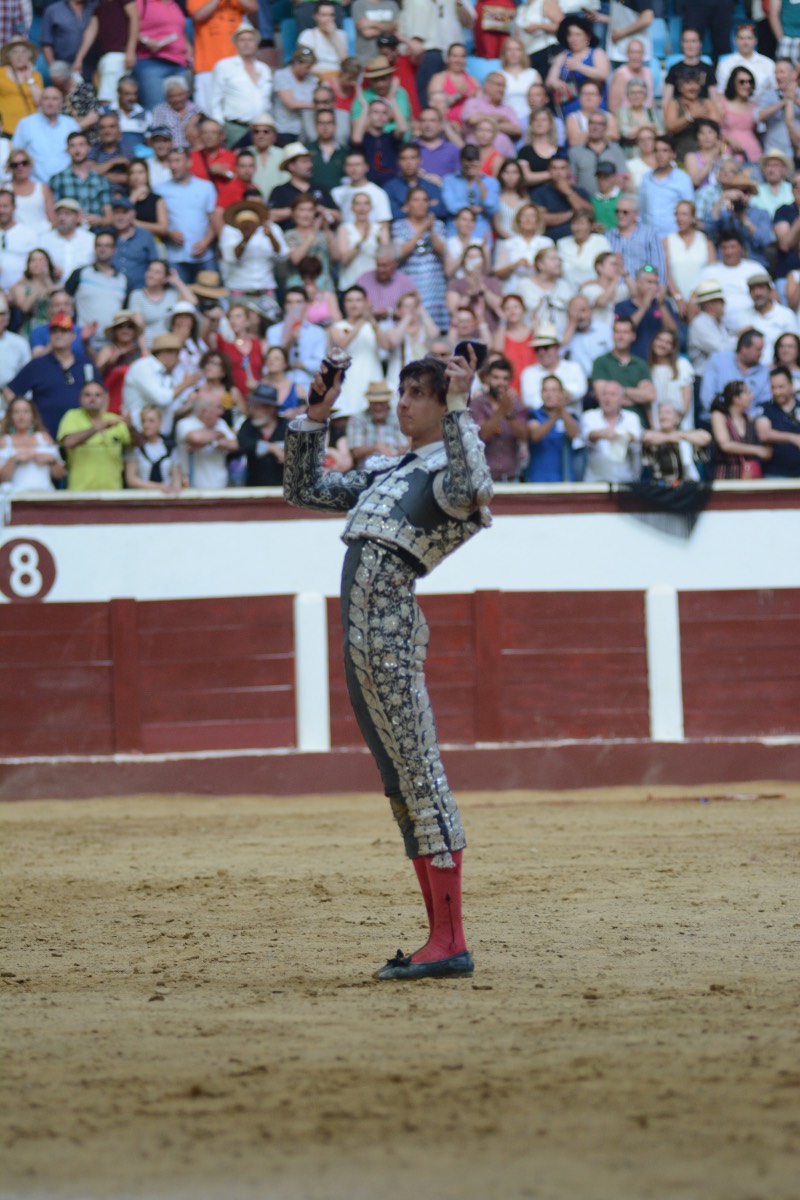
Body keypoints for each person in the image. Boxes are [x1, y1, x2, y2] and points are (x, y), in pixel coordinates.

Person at [283, 346, 492, 982]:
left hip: (391, 636)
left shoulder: (450, 472)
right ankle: (441, 938)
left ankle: (450, 941)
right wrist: (316, 417)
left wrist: (459, 409)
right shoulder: (389, 469)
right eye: (402, 393)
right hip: (364, 642)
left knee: (421, 777)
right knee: (402, 782)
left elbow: (474, 488)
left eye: (419, 394)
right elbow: (303, 489)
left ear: (443, 401)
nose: (404, 404)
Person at [3, 313, 95, 439]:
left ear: (73, 335)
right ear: (49, 336)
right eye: (55, 331)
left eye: (64, 331)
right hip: (46, 435)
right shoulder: (37, 365)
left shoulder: (85, 363)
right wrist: (25, 415)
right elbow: (9, 391)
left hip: (80, 435)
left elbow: (101, 392)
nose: (59, 335)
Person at [57, 378, 132, 490]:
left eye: (97, 395)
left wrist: (131, 426)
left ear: (105, 398)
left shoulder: (114, 419)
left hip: (113, 491)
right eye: (87, 395)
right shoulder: (72, 416)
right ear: (80, 398)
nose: (92, 399)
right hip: (80, 491)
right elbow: (68, 442)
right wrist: (97, 428)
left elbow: (135, 445)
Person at [329, 286, 391, 418]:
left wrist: (372, 322)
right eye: (350, 300)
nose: (354, 305)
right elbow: (341, 345)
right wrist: (362, 320)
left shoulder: (373, 326)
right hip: (348, 381)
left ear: (366, 303)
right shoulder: (336, 327)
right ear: (344, 304)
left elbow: (386, 345)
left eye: (358, 300)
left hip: (372, 379)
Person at [392, 187, 449, 331]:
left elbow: (442, 250)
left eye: (424, 200)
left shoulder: (438, 225)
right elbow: (400, 252)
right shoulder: (398, 226)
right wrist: (422, 229)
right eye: (416, 200)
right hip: (410, 284)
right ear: (407, 205)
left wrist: (431, 230)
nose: (420, 204)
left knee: (435, 329)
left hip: (435, 285)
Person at [208, 21, 272, 146]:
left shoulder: (264, 69)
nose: (246, 43)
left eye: (250, 40)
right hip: (234, 128)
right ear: (236, 43)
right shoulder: (224, 66)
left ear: (256, 43)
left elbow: (268, 101)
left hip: (260, 129)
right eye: (242, 40)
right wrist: (220, 127)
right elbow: (215, 100)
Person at [590, 314, 655, 426]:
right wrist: (636, 396)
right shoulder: (601, 362)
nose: (620, 336)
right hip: (607, 423)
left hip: (637, 423)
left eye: (625, 332)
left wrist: (622, 391)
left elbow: (649, 395)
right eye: (617, 332)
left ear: (633, 336)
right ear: (612, 335)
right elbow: (603, 397)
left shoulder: (641, 364)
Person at [470, 356, 527, 481]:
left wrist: (509, 414)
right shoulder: (477, 404)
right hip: (483, 478)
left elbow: (523, 435)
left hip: (511, 477)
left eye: (505, 378)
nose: (501, 383)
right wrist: (502, 410)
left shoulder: (517, 404)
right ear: (488, 378)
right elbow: (482, 435)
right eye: (496, 378)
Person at [699, 329, 771, 424]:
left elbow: (765, 403)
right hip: (715, 420)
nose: (761, 354)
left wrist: (748, 417)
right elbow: (707, 397)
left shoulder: (764, 372)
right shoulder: (718, 360)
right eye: (758, 349)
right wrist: (728, 418)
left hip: (749, 424)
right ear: (744, 348)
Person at [122, 331, 189, 431]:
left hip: (160, 435)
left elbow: (173, 407)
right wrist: (186, 383)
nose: (178, 360)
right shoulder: (143, 367)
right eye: (176, 355)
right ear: (167, 353)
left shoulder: (165, 372)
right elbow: (161, 399)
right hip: (139, 433)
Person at [133, 0, 192, 113]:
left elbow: (179, 30)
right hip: (152, 63)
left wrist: (187, 47)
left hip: (178, 64)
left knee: (182, 111)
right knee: (156, 109)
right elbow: (129, 26)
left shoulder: (174, 4)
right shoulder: (143, 3)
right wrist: (146, 40)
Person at [545, 16, 610, 117]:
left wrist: (579, 67)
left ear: (587, 36)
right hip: (569, 106)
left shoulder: (597, 53)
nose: (573, 39)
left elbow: (603, 74)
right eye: (570, 35)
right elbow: (549, 81)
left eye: (578, 34)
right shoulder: (562, 56)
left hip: (595, 106)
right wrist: (556, 83)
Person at [0, 395, 64, 493]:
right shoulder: (4, 441)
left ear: (33, 415)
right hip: (14, 497)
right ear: (10, 416)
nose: (21, 416)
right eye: (16, 412)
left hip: (45, 494)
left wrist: (52, 461)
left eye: (26, 411)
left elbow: (60, 475)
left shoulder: (44, 438)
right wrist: (13, 460)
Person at [49, 131, 113, 230]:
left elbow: (109, 218)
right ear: (67, 150)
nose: (77, 150)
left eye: (81, 145)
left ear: (89, 148)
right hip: (68, 232)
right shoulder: (58, 179)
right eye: (72, 146)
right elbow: (52, 215)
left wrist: (100, 220)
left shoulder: (100, 180)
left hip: (95, 232)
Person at [581, 379, 641, 482]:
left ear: (621, 399)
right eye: (604, 394)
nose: (607, 398)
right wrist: (602, 434)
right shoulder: (589, 416)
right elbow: (589, 435)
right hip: (595, 480)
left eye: (612, 394)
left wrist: (617, 435)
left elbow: (634, 436)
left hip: (625, 480)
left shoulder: (632, 417)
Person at [266, 285, 327, 388]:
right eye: (290, 302)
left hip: (308, 384)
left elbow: (320, 363)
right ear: (285, 305)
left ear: (306, 305)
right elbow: (273, 360)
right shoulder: (273, 331)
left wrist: (299, 364)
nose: (294, 306)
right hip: (280, 385)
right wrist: (290, 340)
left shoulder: (318, 332)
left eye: (299, 302)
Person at [525, 372, 581, 482]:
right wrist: (555, 416)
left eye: (554, 390)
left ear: (562, 393)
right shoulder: (533, 414)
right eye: (545, 390)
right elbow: (535, 435)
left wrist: (562, 411)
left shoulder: (570, 416)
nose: (549, 394)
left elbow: (574, 433)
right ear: (541, 394)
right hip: (538, 479)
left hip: (564, 480)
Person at [710, 379, 771, 479]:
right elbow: (725, 445)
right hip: (726, 475)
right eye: (747, 393)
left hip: (748, 474)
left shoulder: (749, 419)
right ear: (736, 399)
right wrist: (757, 450)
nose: (752, 397)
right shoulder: (719, 416)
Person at [176, 395, 239, 488]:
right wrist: (219, 435)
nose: (221, 412)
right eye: (218, 408)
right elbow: (195, 438)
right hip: (192, 485)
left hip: (220, 485)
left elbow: (235, 445)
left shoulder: (221, 423)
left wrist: (212, 442)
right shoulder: (186, 423)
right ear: (204, 411)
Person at [520, 323, 588, 411]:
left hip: (570, 417)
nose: (541, 352)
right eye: (537, 348)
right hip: (541, 418)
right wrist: (559, 395)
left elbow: (580, 391)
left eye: (546, 347)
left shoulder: (573, 368)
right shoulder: (529, 373)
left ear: (557, 347)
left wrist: (548, 397)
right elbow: (529, 401)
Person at [640, 399, 711, 482]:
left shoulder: (686, 435)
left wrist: (681, 435)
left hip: (688, 484)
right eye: (660, 413)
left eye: (667, 413)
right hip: (660, 485)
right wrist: (669, 437)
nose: (663, 416)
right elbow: (645, 437)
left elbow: (706, 437)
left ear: (678, 418)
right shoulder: (654, 435)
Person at [638, 136, 694, 240]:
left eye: (665, 151)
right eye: (657, 151)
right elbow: (641, 209)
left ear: (673, 154)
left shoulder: (682, 178)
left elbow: (689, 209)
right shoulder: (646, 178)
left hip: (674, 238)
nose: (660, 155)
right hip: (649, 238)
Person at [530, 154, 592, 243]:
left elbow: (589, 214)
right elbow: (541, 219)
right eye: (554, 168)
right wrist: (571, 214)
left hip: (579, 241)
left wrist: (568, 192)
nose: (558, 172)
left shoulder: (580, 191)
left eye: (562, 168)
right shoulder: (540, 192)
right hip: (550, 241)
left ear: (569, 170)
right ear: (549, 170)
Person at [236, 383, 288, 486]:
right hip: (254, 488)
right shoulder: (248, 425)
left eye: (256, 407)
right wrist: (271, 448)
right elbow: (244, 443)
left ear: (271, 409)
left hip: (282, 487)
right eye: (252, 406)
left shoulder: (286, 426)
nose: (252, 411)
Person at [740, 273, 798, 364]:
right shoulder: (743, 316)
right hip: (750, 367)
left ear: (770, 291)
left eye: (761, 288)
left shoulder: (786, 315)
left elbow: (795, 346)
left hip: (780, 367)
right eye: (753, 289)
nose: (757, 293)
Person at [346, 380, 407, 465]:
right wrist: (376, 448)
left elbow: (404, 445)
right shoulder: (358, 419)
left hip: (395, 466)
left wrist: (399, 452)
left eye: (381, 403)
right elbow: (355, 452)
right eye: (375, 403)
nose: (378, 407)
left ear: (387, 403)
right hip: (367, 469)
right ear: (369, 403)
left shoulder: (397, 417)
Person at [124, 402, 182, 491]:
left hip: (167, 496)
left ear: (160, 423)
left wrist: (176, 485)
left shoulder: (170, 445)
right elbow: (131, 480)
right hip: (142, 496)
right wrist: (158, 487)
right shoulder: (135, 446)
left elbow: (176, 474)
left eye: (151, 421)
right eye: (144, 421)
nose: (147, 425)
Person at [755, 365, 800, 477]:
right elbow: (764, 434)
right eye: (773, 387)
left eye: (781, 387)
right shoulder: (764, 408)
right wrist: (793, 438)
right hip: (774, 473)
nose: (777, 392)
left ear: (791, 385)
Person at [648, 328, 695, 428]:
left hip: (680, 424)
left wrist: (678, 422)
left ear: (673, 348)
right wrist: (653, 426)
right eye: (659, 340)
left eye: (668, 342)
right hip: (657, 423)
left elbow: (687, 399)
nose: (662, 344)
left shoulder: (682, 365)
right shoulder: (648, 368)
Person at [7, 249, 58, 339]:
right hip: (30, 330)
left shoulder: (55, 285)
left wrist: (46, 279)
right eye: (33, 260)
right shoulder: (21, 286)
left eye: (41, 260)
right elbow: (25, 308)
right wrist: (39, 283)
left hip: (53, 329)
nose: (36, 263)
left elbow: (56, 301)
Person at [0, 35, 43, 138]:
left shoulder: (36, 76)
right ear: (8, 55)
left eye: (23, 52)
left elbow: (39, 101)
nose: (19, 56)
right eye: (15, 52)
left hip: (29, 128)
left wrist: (29, 77)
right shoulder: (1, 73)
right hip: (5, 128)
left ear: (29, 56)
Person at [717, 67, 761, 163]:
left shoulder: (754, 106)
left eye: (750, 82)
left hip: (752, 152)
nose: (747, 85)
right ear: (733, 83)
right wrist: (728, 138)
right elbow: (714, 130)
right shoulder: (722, 104)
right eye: (742, 82)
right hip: (728, 151)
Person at [7, 150, 54, 235]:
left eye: (24, 163)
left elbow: (52, 218)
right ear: (10, 168)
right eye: (15, 165)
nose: (20, 167)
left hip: (42, 235)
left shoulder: (43, 189)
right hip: (16, 236)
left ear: (30, 164)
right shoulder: (6, 189)